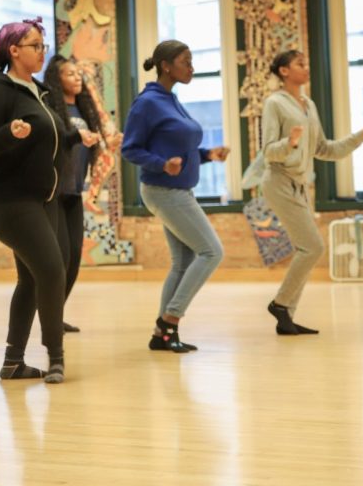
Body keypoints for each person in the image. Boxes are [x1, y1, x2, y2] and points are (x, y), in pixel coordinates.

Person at [121, 40, 229, 353]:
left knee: (183, 262)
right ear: (166, 65)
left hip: (177, 189)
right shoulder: (148, 103)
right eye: (186, 61)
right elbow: (130, 148)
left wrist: (208, 154)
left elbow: (178, 149)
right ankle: (170, 320)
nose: (192, 67)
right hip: (164, 191)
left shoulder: (169, 99)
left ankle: (162, 335)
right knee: (211, 252)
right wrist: (161, 165)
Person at [0, 18, 67, 384]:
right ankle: (57, 356)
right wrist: (9, 133)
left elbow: (55, 139)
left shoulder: (39, 91)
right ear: (14, 51)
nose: (42, 51)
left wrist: (80, 138)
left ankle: (13, 362)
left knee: (31, 279)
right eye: (35, 45)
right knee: (51, 270)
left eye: (43, 45)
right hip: (8, 201)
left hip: (44, 199)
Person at [261, 49, 363, 335]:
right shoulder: (275, 104)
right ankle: (280, 304)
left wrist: (356, 139)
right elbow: (269, 151)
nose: (306, 68)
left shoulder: (308, 104)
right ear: (284, 71)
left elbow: (324, 149)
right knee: (314, 247)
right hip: (278, 180)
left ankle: (286, 317)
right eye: (300, 64)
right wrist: (291, 142)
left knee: (306, 248)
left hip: (299, 184)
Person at [42, 54, 114, 332]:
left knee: (72, 258)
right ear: (57, 80)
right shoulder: (53, 109)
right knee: (59, 257)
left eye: (78, 74)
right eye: (70, 74)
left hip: (74, 192)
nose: (77, 78)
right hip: (54, 193)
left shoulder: (84, 110)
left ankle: (55, 315)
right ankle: (50, 318)